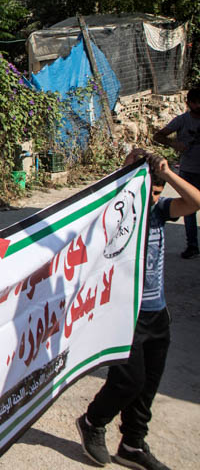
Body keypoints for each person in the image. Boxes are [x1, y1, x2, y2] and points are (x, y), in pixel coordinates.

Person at [77, 149, 200, 470]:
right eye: (146, 190)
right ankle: (92, 421)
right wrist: (128, 171)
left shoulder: (160, 211)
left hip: (157, 313)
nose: (151, 198)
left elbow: (196, 202)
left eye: (156, 192)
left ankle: (132, 444)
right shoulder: (116, 214)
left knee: (148, 385)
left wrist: (168, 174)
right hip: (124, 314)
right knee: (128, 381)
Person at [152, 86, 200, 258]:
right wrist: (174, 144)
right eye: (197, 104)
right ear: (189, 104)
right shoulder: (182, 120)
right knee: (188, 211)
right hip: (188, 171)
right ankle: (192, 246)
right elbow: (158, 136)